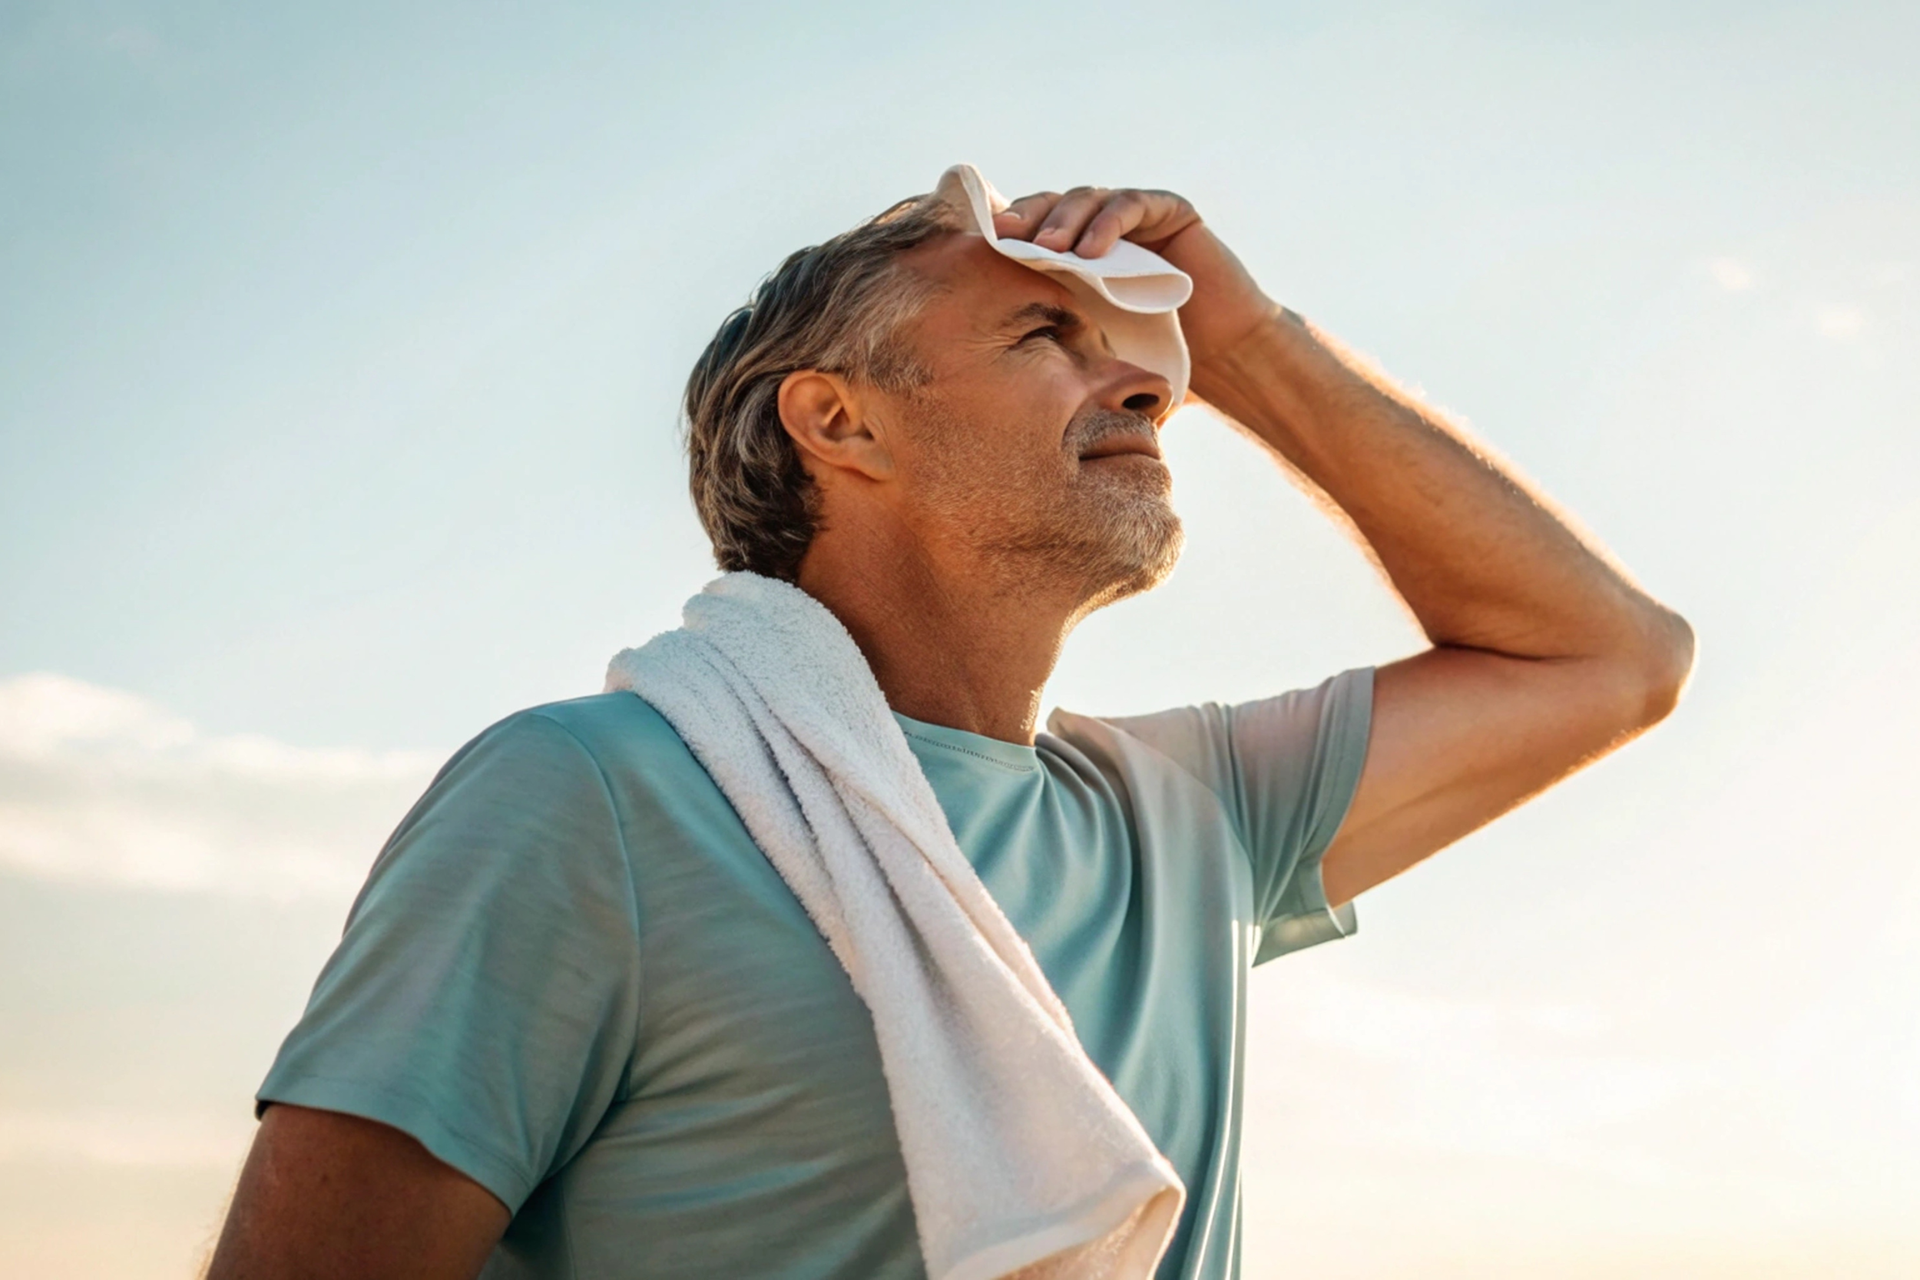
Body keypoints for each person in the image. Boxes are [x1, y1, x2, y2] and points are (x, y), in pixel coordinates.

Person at [206, 177, 1693, 1280]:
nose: (1149, 385)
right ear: (840, 424)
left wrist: (1248, 339)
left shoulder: (1194, 809)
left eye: (1156, 357)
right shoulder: (590, 796)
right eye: (1047, 332)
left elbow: (1609, 657)